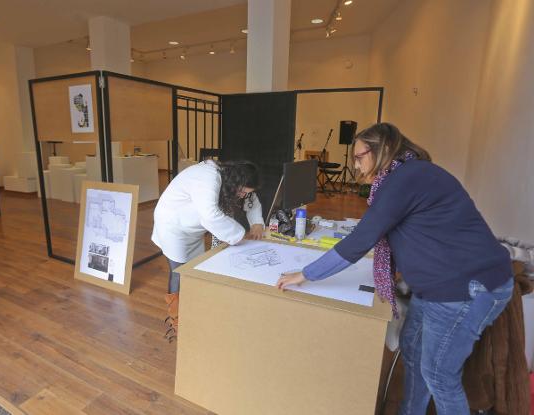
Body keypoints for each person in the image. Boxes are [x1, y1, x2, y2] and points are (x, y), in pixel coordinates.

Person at [276, 123, 513, 415]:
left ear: (380, 151)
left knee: (439, 376)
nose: (355, 163)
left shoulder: (405, 178)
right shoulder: (405, 175)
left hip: (464, 287)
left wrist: (305, 274)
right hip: (439, 285)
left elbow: (362, 238)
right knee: (411, 348)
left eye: (359, 156)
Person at [152, 159, 265, 340]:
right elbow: (210, 215)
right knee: (179, 272)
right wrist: (239, 235)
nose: (244, 196)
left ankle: (193, 310)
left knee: (195, 269)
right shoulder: (208, 177)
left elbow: (252, 200)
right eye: (243, 191)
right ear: (236, 182)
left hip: (192, 227)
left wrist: (257, 223)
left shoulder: (232, 180)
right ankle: (177, 320)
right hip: (173, 226)